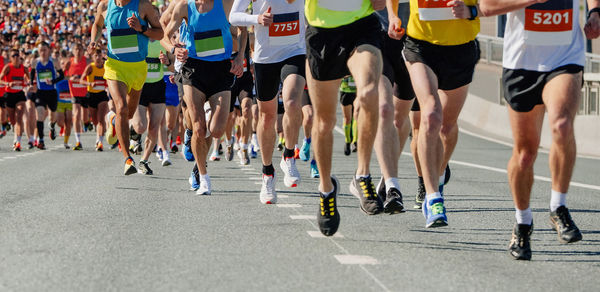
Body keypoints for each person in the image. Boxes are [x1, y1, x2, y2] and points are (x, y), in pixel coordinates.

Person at [479, 0, 599, 260]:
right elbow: (487, 7)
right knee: (525, 154)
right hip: (521, 64)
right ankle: (523, 222)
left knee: (562, 125)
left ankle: (559, 206)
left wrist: (595, 12)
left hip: (565, 58)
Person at [387, 0, 480, 227]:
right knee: (430, 115)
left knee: (447, 126)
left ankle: (437, 174)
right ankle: (432, 197)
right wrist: (393, 15)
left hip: (461, 48)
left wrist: (472, 10)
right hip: (420, 46)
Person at [305, 0, 386, 236]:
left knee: (370, 91)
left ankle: (362, 174)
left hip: (361, 26)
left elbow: (380, 4)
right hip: (323, 34)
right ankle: (326, 190)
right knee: (324, 122)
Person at [230, 0, 307, 204]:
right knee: (267, 117)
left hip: (295, 51)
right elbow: (233, 16)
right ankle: (267, 174)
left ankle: (289, 155)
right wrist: (256, 19)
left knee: (291, 102)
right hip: (266, 58)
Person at [165, 0, 240, 195]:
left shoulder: (225, 3)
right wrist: (174, 49)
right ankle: (203, 176)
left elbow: (243, 29)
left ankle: (199, 160)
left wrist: (239, 57)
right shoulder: (184, 7)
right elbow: (164, 34)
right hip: (193, 69)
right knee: (199, 127)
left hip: (220, 69)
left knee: (216, 130)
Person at [89, 0, 163, 175]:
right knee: (121, 107)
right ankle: (128, 159)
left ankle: (113, 120)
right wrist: (94, 40)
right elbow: (97, 25)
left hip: (138, 68)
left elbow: (160, 34)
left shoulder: (143, 6)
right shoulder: (104, 6)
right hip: (115, 66)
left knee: (128, 114)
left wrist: (142, 29)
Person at [373, 1, 416, 214]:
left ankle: (385, 176)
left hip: (414, 41)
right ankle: (392, 186)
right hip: (378, 38)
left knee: (400, 119)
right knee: (384, 109)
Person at [131, 36, 171, 175]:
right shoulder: (138, 40)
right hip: (140, 87)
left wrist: (166, 61)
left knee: (154, 128)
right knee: (141, 127)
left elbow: (172, 66)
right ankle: (133, 132)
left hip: (158, 87)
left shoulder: (163, 41)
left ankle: (144, 161)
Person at [30, 42, 64, 150]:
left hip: (52, 92)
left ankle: (52, 126)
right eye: (41, 50)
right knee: (39, 114)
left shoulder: (54, 62)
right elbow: (32, 74)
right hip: (40, 92)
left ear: (48, 50)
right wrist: (31, 84)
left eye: (44, 50)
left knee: (52, 116)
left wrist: (53, 81)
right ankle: (41, 140)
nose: (43, 52)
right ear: (38, 51)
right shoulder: (35, 62)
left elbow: (62, 75)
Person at [0, 49, 30, 151]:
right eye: (13, 56)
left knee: (19, 117)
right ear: (10, 58)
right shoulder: (8, 67)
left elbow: (29, 79)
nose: (16, 57)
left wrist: (28, 83)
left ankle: (18, 142)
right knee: (13, 121)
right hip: (9, 95)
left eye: (17, 55)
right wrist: (7, 83)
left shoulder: (24, 68)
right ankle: (15, 137)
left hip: (19, 95)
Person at [80, 49, 109, 152]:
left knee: (101, 119)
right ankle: (98, 137)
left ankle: (100, 142)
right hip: (91, 95)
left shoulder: (106, 67)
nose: (98, 57)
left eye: (99, 55)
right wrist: (89, 84)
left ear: (102, 56)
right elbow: (81, 80)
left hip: (102, 95)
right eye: (95, 55)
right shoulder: (90, 67)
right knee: (96, 121)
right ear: (93, 57)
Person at [65, 43, 89, 150]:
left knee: (84, 117)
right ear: (73, 51)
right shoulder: (69, 62)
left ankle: (87, 122)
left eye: (80, 49)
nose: (78, 51)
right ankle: (78, 141)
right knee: (76, 115)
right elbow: (64, 76)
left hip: (85, 92)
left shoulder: (87, 61)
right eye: (76, 49)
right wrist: (70, 78)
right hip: (74, 93)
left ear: (83, 51)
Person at [338, 76, 358, 156]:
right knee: (347, 118)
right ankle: (347, 141)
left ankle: (355, 141)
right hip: (345, 90)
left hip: (358, 91)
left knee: (357, 115)